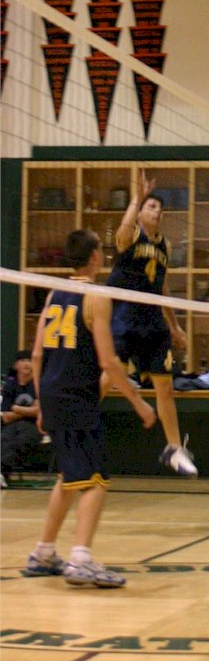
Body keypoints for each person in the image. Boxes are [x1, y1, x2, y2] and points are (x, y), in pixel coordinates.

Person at [24, 228, 156, 587]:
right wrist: (139, 403)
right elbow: (108, 361)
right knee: (96, 479)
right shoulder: (95, 296)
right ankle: (81, 559)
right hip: (76, 397)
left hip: (52, 394)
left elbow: (36, 354)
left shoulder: (53, 293)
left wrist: (41, 404)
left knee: (69, 477)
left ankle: (43, 553)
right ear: (95, 256)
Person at [107, 168, 197, 476]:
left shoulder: (165, 246)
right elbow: (121, 235)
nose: (157, 211)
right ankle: (76, 419)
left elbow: (163, 286)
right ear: (141, 210)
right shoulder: (132, 234)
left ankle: (174, 449)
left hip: (153, 322)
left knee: (165, 386)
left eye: (160, 208)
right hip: (125, 317)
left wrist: (175, 325)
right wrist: (137, 198)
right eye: (151, 206)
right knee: (108, 377)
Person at [1, 349, 43, 487]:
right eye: (23, 360)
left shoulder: (39, 385)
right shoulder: (10, 386)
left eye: (30, 360)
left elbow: (38, 412)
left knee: (21, 440)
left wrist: (17, 409)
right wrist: (27, 410)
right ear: (16, 365)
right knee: (5, 438)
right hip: (12, 425)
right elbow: (6, 417)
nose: (27, 364)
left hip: (34, 426)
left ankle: (2, 472)